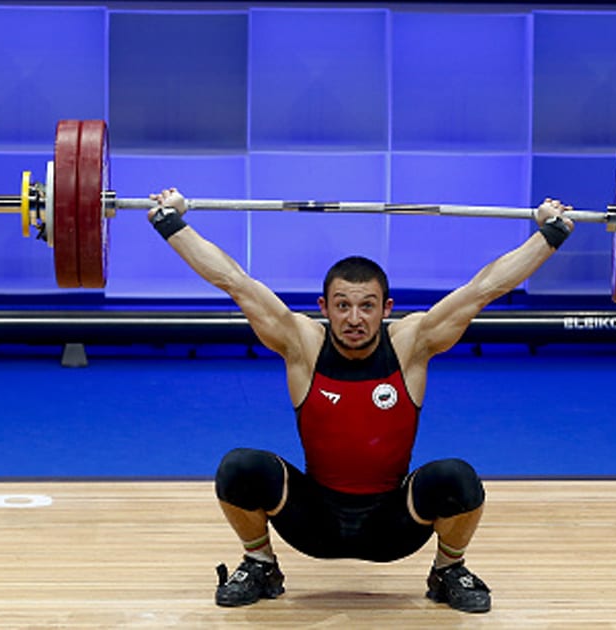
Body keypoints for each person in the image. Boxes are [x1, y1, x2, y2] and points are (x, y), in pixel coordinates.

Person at [147, 187, 574, 614]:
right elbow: (234, 282)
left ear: (386, 308)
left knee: (457, 479)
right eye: (343, 306)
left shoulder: (412, 343)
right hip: (312, 519)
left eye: (367, 306)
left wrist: (549, 235)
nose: (355, 318)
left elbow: (483, 289)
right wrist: (172, 223)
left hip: (394, 523)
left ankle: (448, 570)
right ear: (324, 308)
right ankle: (261, 564)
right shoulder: (302, 344)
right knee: (240, 468)